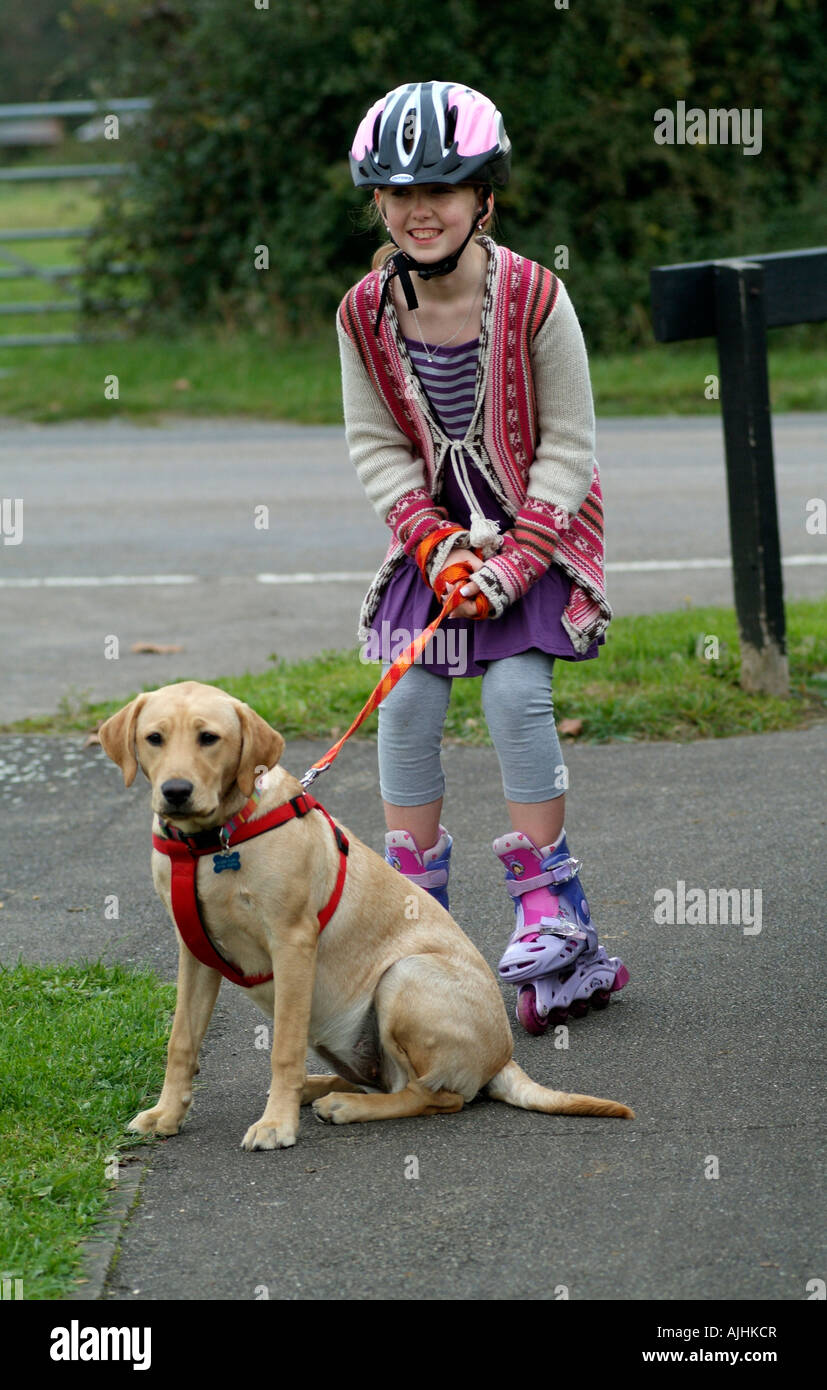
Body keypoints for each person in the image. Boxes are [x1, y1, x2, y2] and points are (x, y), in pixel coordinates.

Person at [337, 80, 628, 1035]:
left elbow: (570, 444)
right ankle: (415, 924)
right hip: (433, 539)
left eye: (444, 190)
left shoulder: (536, 297)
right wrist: (430, 538)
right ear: (377, 204)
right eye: (398, 194)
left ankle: (553, 914)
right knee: (407, 697)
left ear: (485, 198)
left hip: (537, 529)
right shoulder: (363, 315)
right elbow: (376, 443)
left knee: (512, 692)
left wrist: (513, 560)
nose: (421, 211)